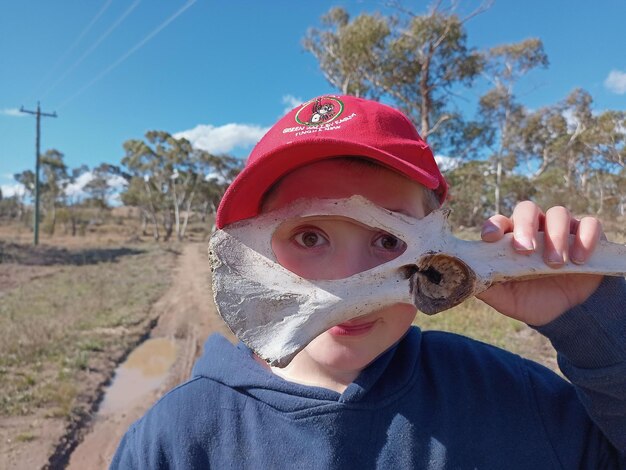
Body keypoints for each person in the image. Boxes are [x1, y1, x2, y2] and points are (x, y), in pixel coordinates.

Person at [111, 95, 626, 469]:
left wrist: (594, 322)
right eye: (309, 237)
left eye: (387, 240)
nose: (348, 281)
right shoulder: (179, 441)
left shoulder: (511, 400)